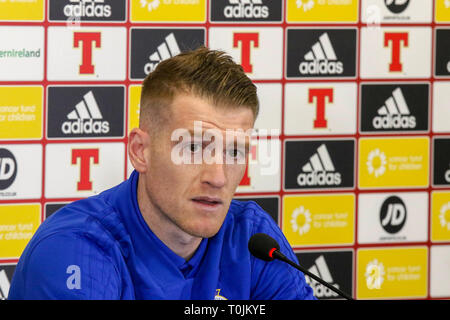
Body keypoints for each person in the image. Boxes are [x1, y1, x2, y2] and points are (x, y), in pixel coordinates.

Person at [8, 47, 316, 300]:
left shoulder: (250, 236)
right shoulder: (76, 248)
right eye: (194, 147)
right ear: (141, 151)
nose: (218, 177)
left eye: (234, 152)